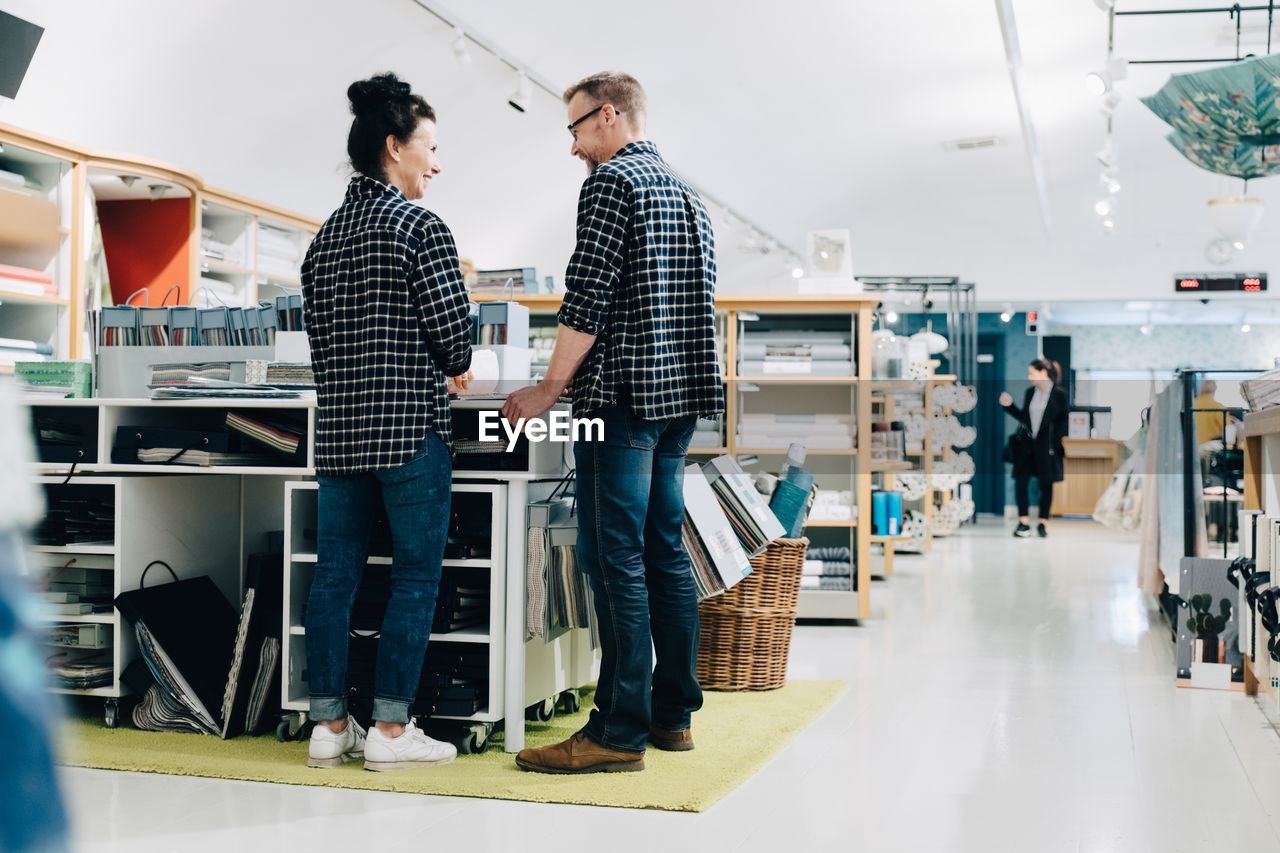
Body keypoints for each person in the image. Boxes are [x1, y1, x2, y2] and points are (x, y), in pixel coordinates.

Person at [502, 71, 724, 774]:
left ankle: (617, 730)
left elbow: (588, 299)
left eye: (572, 130)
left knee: (613, 555)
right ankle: (672, 713)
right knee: (663, 551)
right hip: (678, 406)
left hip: (620, 403)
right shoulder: (691, 197)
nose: (571, 149)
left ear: (606, 117)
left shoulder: (610, 185)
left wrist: (546, 387)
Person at [301, 72, 473, 772]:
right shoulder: (420, 227)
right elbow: (456, 344)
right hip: (408, 433)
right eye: (429, 147)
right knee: (413, 579)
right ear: (394, 147)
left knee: (333, 578)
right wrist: (452, 357)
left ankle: (328, 725)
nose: (436, 163)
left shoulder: (323, 240)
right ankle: (392, 731)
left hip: (340, 435)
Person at [999, 359, 1068, 538]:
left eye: (1032, 373)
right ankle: (1023, 523)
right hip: (1027, 447)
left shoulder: (1059, 394)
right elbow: (1025, 418)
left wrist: (1052, 440)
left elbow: (1063, 422)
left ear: (1044, 372)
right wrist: (1009, 407)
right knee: (1021, 482)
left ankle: (1042, 523)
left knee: (1046, 485)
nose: (1029, 377)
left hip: (1047, 448)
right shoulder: (1030, 392)